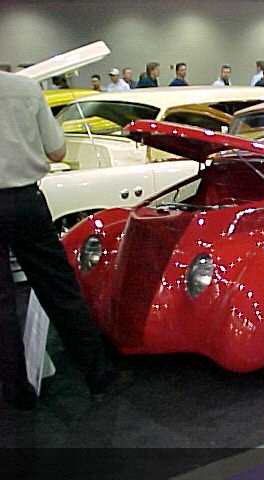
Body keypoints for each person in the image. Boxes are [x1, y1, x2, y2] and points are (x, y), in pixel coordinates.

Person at [0, 71, 120, 410]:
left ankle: (16, 392)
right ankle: (97, 374)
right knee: (60, 289)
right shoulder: (25, 88)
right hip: (26, 202)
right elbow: (56, 152)